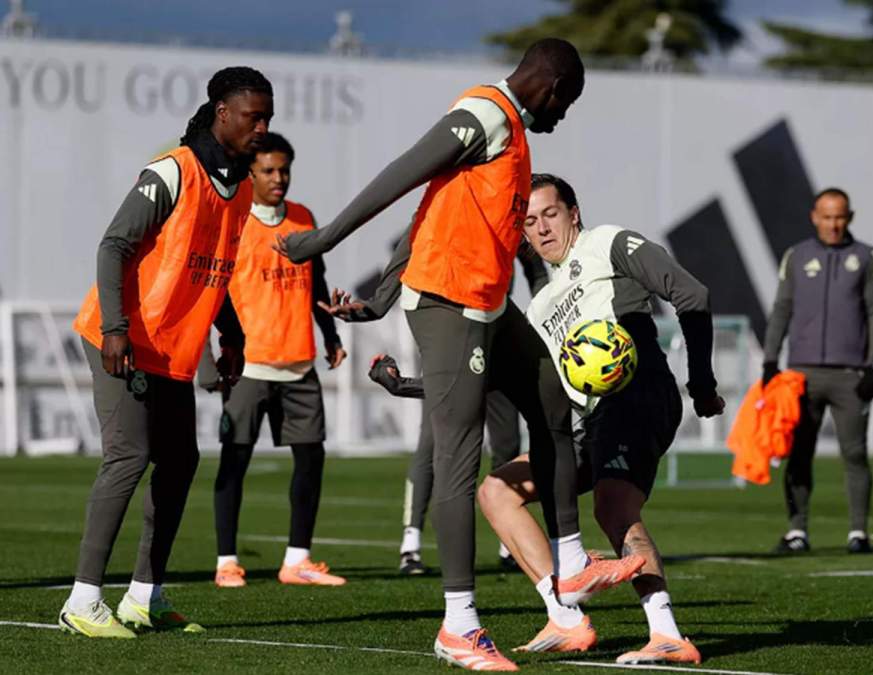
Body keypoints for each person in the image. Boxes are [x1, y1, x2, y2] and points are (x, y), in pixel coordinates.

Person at [275, 39, 593, 670]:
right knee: (457, 459)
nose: (563, 116)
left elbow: (432, 208)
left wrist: (378, 297)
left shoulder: (513, 136)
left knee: (553, 404)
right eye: (567, 103)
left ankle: (572, 579)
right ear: (552, 86)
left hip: (491, 307)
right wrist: (321, 239)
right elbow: (404, 175)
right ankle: (459, 625)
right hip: (450, 305)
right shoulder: (487, 112)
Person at [369, 173, 724, 665]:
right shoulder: (538, 309)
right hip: (589, 419)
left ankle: (666, 633)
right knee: (497, 492)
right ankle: (566, 618)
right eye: (528, 221)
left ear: (574, 213)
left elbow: (691, 294)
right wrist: (406, 384)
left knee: (612, 503)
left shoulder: (607, 243)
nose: (540, 229)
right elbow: (487, 376)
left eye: (550, 214)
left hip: (637, 393)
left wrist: (701, 384)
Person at [60, 67, 273, 638]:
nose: (262, 127)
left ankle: (143, 598)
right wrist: (114, 328)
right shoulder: (171, 172)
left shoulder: (241, 188)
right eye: (254, 117)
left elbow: (216, 273)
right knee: (128, 456)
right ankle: (82, 600)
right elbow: (113, 246)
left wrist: (232, 335)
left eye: (267, 118)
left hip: (173, 349)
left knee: (180, 462)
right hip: (122, 340)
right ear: (222, 113)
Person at [320, 243, 549, 577]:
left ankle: (509, 543)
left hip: (499, 339)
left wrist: (542, 309)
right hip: (453, 339)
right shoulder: (444, 216)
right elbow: (407, 255)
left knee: (508, 442)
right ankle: (410, 544)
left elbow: (535, 266)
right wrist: (377, 304)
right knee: (432, 444)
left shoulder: (505, 213)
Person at [209, 132, 348, 589]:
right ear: (250, 174)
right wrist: (225, 347)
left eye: (283, 169)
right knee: (235, 461)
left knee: (312, 461)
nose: (278, 178)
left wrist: (331, 334)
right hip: (251, 367)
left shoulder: (304, 218)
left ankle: (297, 560)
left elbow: (318, 282)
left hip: (299, 363)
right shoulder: (234, 221)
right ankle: (226, 561)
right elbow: (218, 293)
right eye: (268, 170)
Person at [761, 187, 873, 554]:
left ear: (849, 217)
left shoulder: (867, 258)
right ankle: (797, 531)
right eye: (826, 216)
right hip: (801, 374)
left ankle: (858, 533)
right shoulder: (796, 256)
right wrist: (771, 360)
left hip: (851, 374)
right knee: (799, 453)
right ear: (814, 216)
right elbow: (781, 309)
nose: (833, 224)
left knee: (855, 454)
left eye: (839, 217)